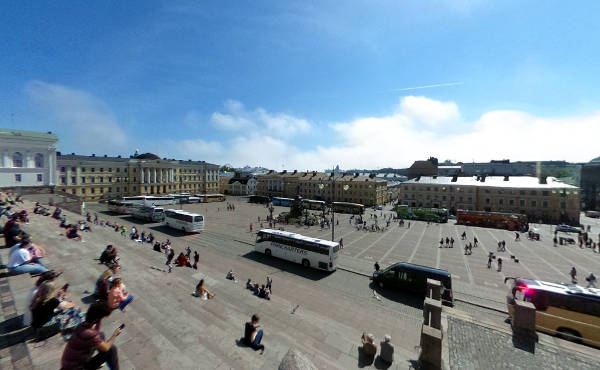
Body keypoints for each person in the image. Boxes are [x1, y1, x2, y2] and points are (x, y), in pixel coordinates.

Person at [60, 301, 122, 370]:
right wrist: (114, 335)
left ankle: (99, 362)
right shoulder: (90, 334)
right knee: (111, 349)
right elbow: (106, 348)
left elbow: (96, 333)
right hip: (77, 368)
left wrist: (99, 319)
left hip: (68, 364)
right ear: (97, 319)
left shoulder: (81, 325)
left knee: (101, 335)